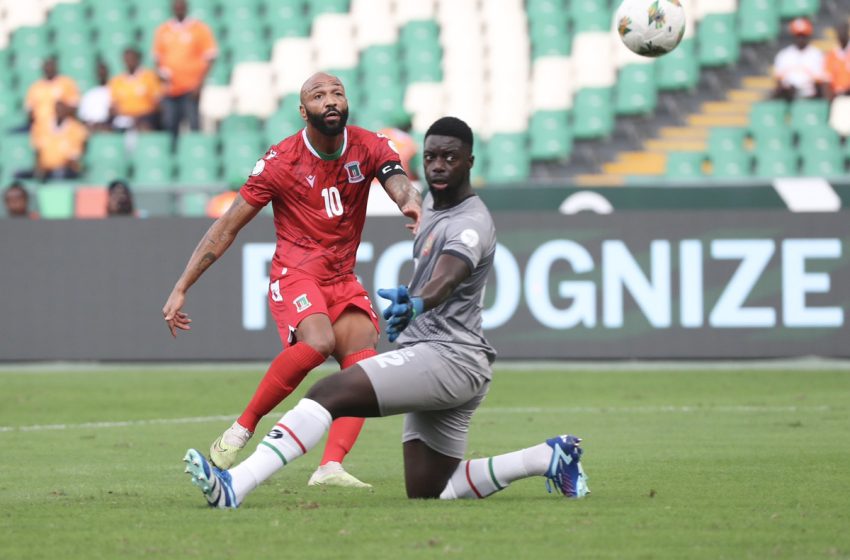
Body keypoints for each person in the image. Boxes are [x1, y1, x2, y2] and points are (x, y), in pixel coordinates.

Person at [182, 116, 590, 508]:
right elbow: (405, 193)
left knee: (328, 394)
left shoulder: (472, 222)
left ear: (470, 162)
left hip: (449, 356)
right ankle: (547, 458)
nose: (438, 165)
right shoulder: (434, 204)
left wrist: (418, 302)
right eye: (431, 156)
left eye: (450, 157)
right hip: (450, 358)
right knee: (429, 488)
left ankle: (236, 485)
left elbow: (448, 275)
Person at [163, 72, 422, 488]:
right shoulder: (281, 162)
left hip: (341, 276)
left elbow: (400, 185)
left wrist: (413, 206)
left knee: (363, 363)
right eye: (319, 96)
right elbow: (227, 226)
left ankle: (330, 467)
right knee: (318, 343)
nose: (331, 101)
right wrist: (182, 286)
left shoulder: (369, 145)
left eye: (337, 92)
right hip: (296, 272)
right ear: (304, 111)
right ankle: (240, 430)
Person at [153, 0, 218, 140]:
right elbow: (157, 58)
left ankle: (195, 151)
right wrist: (161, 74)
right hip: (170, 88)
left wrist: (200, 84)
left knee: (193, 124)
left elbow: (210, 57)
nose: (179, 10)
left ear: (186, 8)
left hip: (190, 87)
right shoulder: (164, 30)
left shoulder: (199, 29)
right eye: (176, 7)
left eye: (181, 7)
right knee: (170, 124)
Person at [30, 100, 88, 181]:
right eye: (57, 109)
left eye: (62, 109)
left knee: (59, 174)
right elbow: (37, 150)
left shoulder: (77, 129)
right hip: (45, 169)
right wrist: (40, 168)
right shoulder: (41, 126)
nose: (59, 111)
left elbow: (74, 158)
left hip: (65, 169)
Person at [773, 17, 827, 100]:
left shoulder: (817, 55)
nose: (800, 39)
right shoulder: (783, 55)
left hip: (810, 97)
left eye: (803, 35)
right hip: (788, 98)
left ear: (808, 36)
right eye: (798, 35)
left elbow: (819, 83)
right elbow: (778, 81)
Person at [110, 48, 162, 131]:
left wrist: (139, 115)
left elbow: (157, 103)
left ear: (138, 59)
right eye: (127, 59)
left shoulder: (150, 77)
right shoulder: (116, 81)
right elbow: (114, 105)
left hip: (145, 116)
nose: (129, 62)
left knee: (144, 127)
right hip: (124, 117)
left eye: (132, 59)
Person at [24, 56, 80, 130]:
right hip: (40, 126)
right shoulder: (35, 87)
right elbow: (29, 109)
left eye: (51, 66)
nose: (49, 69)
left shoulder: (67, 83)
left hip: (61, 126)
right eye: (46, 66)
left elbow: (74, 106)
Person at [78, 60, 112, 132]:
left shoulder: (113, 92)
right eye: (99, 71)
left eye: (103, 71)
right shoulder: (89, 94)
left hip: (108, 127)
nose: (101, 73)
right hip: (91, 127)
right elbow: (82, 117)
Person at [825, 21, 850, 100]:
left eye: (843, 30)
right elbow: (827, 79)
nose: (841, 33)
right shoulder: (831, 55)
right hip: (837, 97)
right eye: (839, 31)